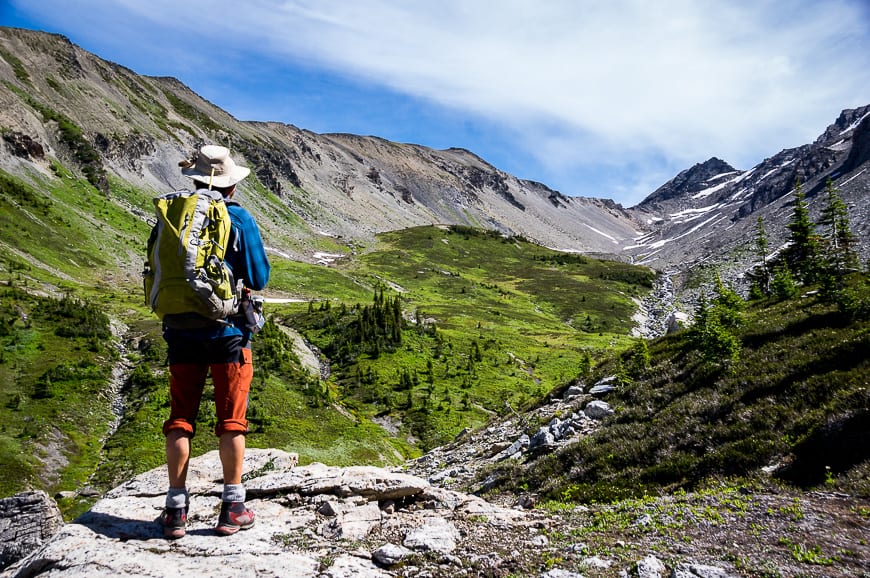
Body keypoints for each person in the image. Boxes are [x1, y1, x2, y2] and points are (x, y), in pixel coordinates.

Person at [159, 145, 271, 539]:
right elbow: (258, 277)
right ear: (232, 186)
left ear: (193, 180)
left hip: (179, 328)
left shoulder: (173, 216)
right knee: (231, 419)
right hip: (227, 332)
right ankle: (233, 508)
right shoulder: (238, 217)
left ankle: (175, 511)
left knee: (180, 417)